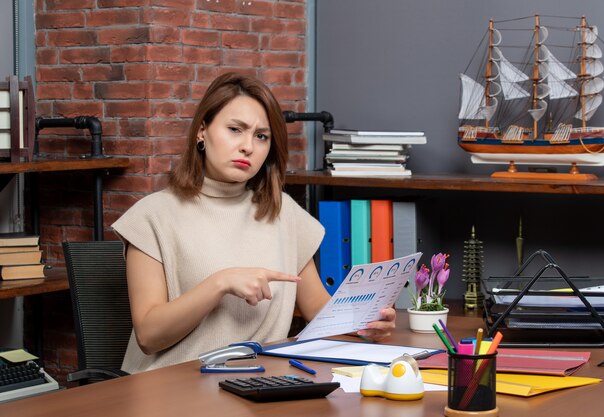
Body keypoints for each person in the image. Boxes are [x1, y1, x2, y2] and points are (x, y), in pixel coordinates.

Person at [112, 72, 396, 373]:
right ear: (201, 131)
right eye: (235, 129)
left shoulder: (284, 211)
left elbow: (318, 310)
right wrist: (220, 283)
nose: (248, 146)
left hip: (260, 382)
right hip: (172, 388)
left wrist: (365, 322)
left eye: (261, 136)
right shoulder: (152, 216)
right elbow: (148, 335)